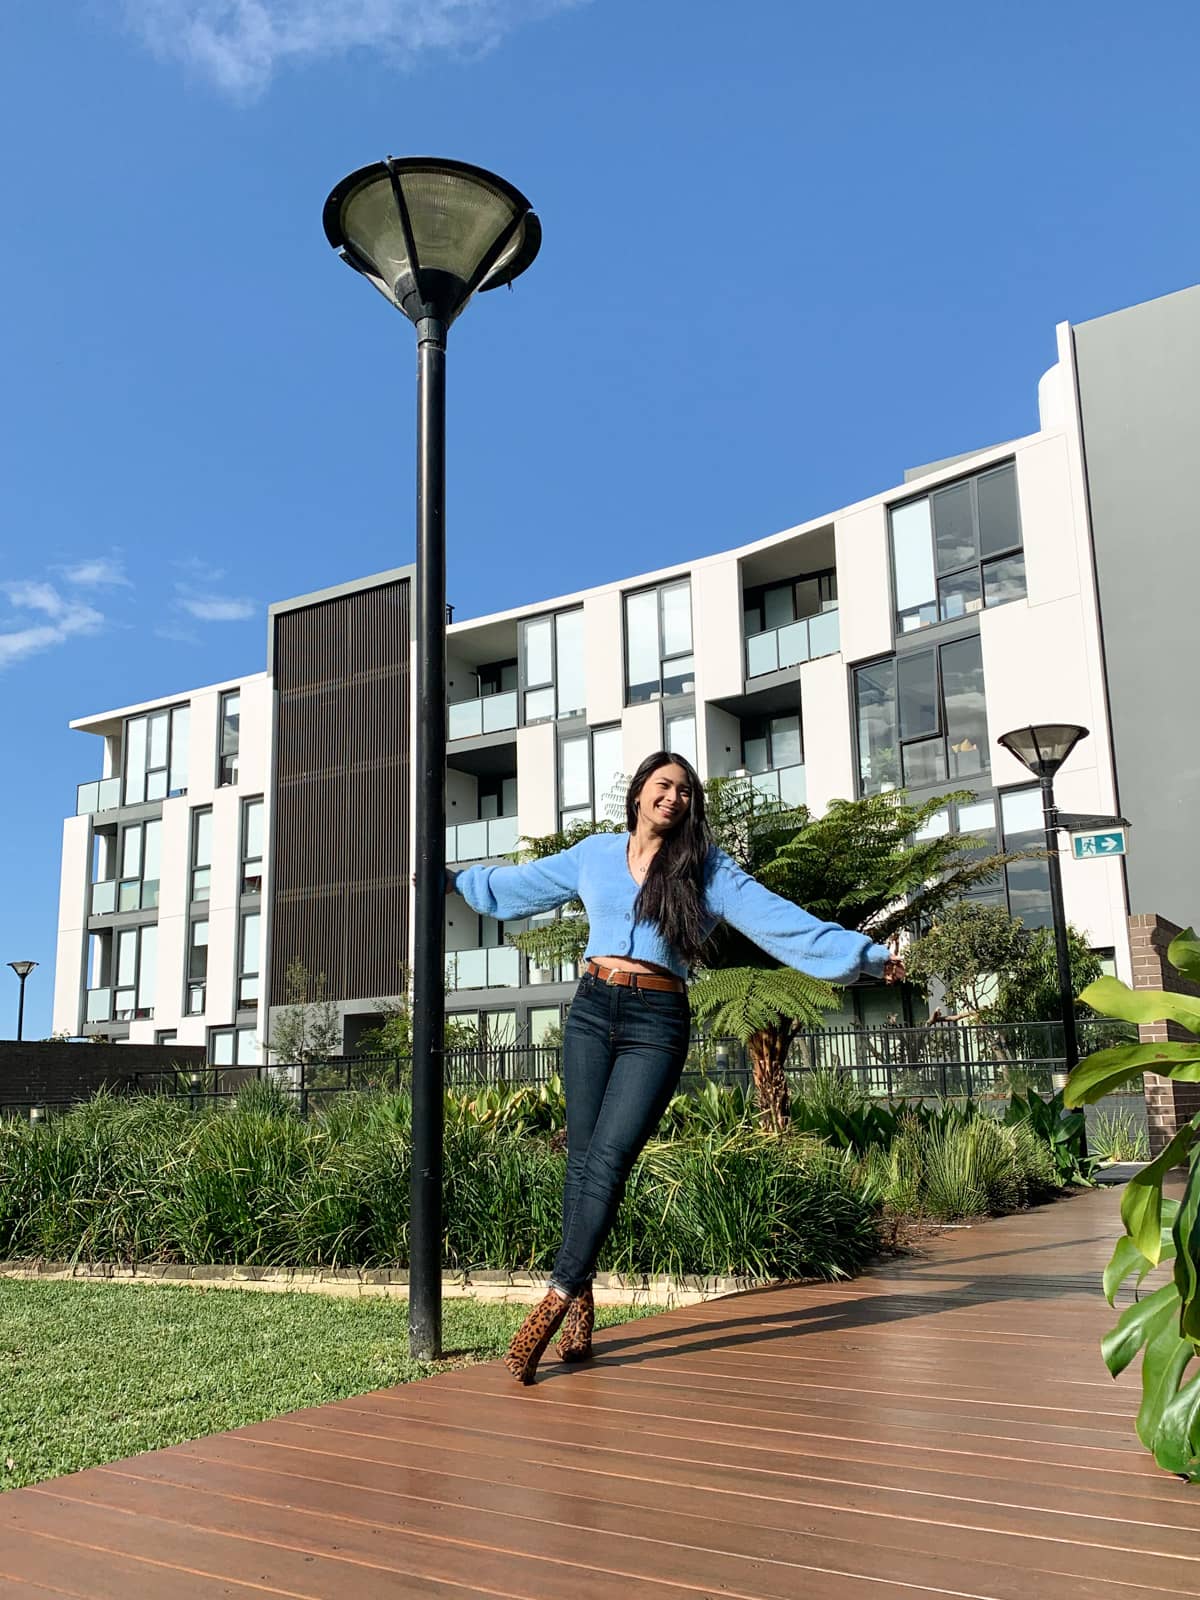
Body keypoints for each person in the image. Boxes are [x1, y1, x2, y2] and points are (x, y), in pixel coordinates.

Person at [448, 749, 904, 1383]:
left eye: (685, 791)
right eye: (663, 785)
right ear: (638, 794)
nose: (674, 797)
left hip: (656, 1023)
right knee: (581, 1157)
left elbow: (779, 922)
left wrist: (867, 956)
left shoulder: (705, 868)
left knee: (609, 1157)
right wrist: (453, 879)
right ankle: (581, 1304)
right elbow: (517, 887)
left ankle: (557, 1292)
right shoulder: (595, 855)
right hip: (590, 1012)